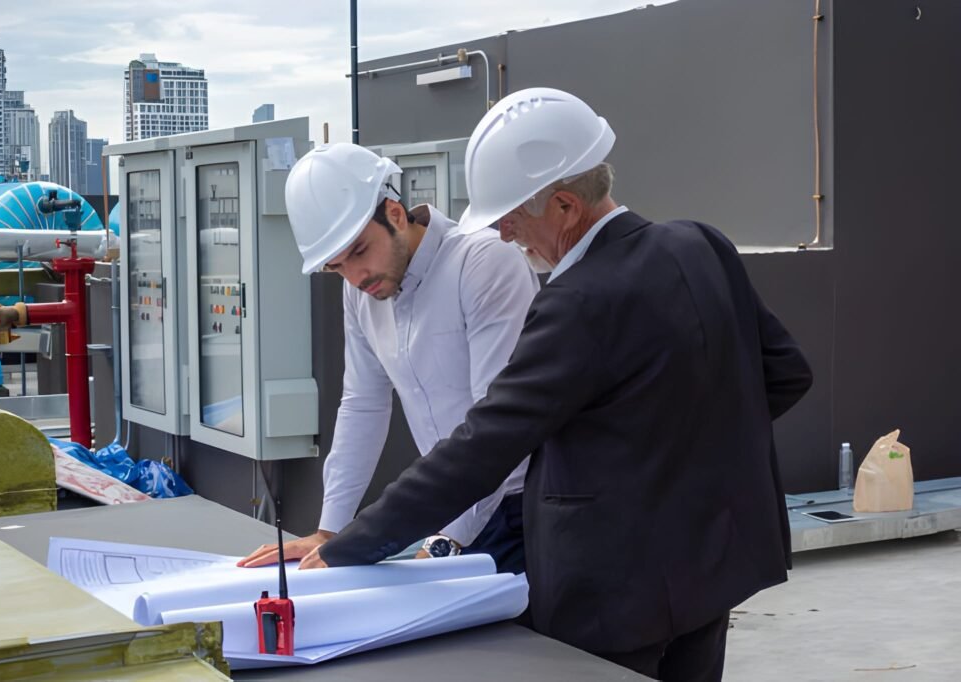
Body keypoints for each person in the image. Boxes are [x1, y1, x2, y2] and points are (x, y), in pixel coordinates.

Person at [298, 89, 813, 682]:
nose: (507, 236)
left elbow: (483, 447)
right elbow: (785, 373)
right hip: (711, 563)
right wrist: (679, 462)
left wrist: (348, 547)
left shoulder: (577, 302)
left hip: (615, 589)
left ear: (565, 206)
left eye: (513, 219)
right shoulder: (701, 244)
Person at [239, 143, 538, 574]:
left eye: (360, 251)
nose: (355, 276)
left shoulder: (482, 262)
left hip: (518, 507)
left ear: (395, 213)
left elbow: (497, 428)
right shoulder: (362, 291)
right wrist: (330, 530)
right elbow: (362, 404)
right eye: (336, 266)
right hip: (447, 508)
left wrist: (447, 539)